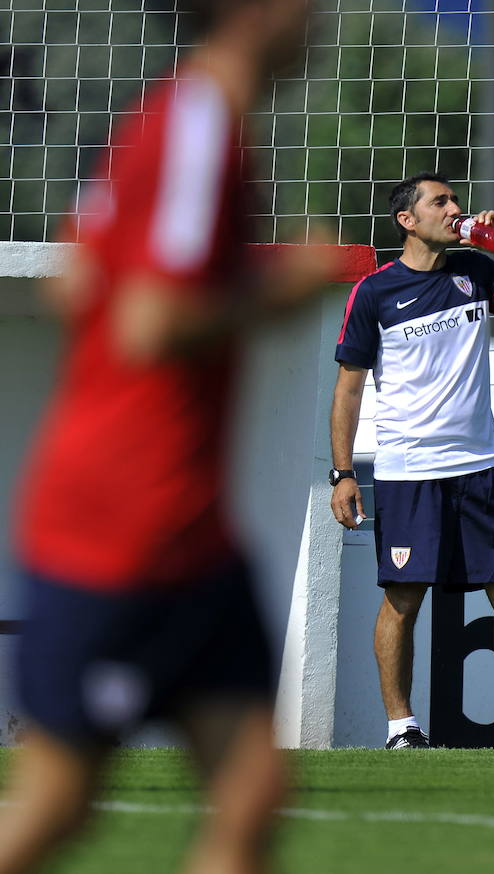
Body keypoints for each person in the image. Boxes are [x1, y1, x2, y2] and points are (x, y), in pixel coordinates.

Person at [0, 1, 338, 872]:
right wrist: (279, 291)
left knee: (254, 789)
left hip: (189, 533)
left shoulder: (170, 116)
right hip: (125, 528)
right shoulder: (198, 126)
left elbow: (80, 277)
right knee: (57, 806)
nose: (323, 18)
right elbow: (151, 322)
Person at [330, 172, 494, 750]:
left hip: (479, 465)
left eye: (455, 200)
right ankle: (401, 728)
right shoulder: (374, 292)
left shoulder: (479, 271)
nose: (456, 209)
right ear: (407, 220)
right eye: (441, 202)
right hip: (410, 472)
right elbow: (349, 388)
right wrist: (343, 473)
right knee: (404, 598)